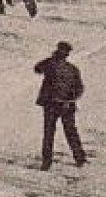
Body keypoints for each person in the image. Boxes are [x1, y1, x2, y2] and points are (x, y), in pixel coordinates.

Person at [34, 41, 87, 169]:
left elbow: (79, 88)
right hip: (56, 105)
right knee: (57, 133)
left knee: (61, 132)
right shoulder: (53, 65)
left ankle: (51, 161)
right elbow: (37, 68)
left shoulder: (69, 68)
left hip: (60, 105)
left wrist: (69, 100)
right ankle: (77, 158)